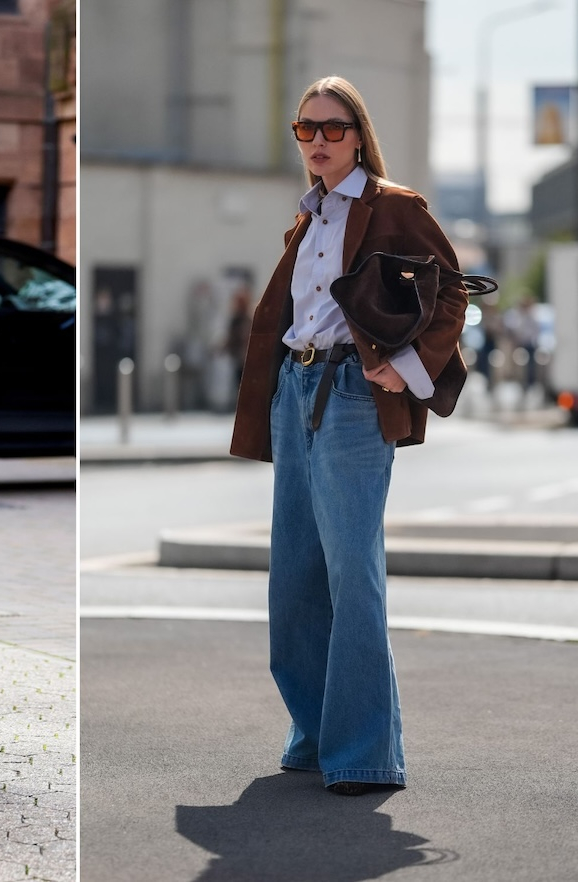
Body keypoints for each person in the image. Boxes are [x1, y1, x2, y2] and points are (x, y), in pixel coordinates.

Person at [229, 76, 468, 795]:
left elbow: (453, 290)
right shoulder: (307, 218)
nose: (319, 142)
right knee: (295, 578)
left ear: (357, 135)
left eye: (333, 129)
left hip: (354, 396)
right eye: (306, 129)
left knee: (352, 577)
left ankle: (364, 751)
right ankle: (315, 733)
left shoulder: (393, 207)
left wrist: (403, 367)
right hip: (295, 390)